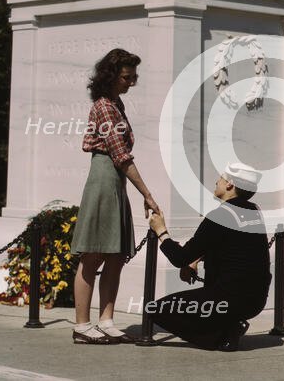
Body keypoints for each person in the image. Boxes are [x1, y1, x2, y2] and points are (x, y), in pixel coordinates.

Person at [70, 48, 161, 344]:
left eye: (134, 77)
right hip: (105, 176)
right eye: (126, 76)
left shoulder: (116, 103)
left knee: (115, 255)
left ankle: (105, 319)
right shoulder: (106, 106)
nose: (131, 82)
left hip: (114, 179)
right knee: (94, 253)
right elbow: (121, 155)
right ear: (111, 75)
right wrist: (147, 194)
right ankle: (82, 325)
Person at [147, 162, 272, 351]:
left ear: (230, 185)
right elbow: (231, 244)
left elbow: (180, 258)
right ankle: (229, 325)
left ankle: (222, 335)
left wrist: (161, 231)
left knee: (156, 310)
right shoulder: (254, 211)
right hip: (255, 301)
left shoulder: (220, 216)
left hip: (227, 301)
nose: (217, 181)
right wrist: (196, 260)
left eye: (221, 178)